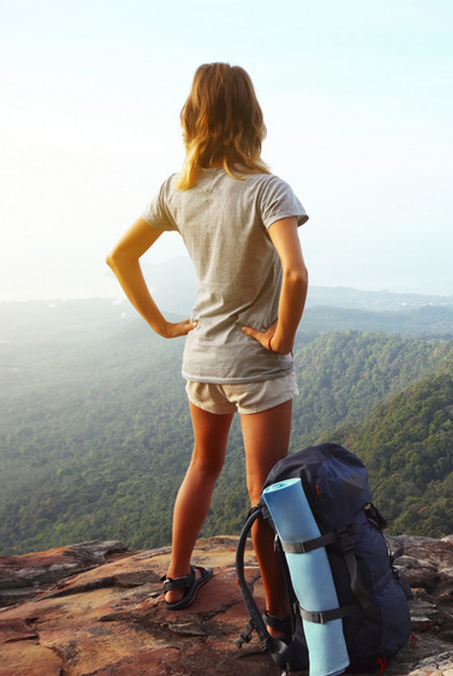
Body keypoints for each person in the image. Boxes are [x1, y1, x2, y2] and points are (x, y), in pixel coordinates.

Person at [106, 63, 307, 638]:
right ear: (252, 117)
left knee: (203, 465)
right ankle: (276, 613)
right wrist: (280, 339)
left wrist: (164, 327)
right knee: (265, 489)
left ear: (193, 118)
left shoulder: (178, 188)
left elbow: (120, 257)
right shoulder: (268, 190)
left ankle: (175, 579)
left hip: (201, 359)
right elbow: (295, 274)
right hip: (254, 363)